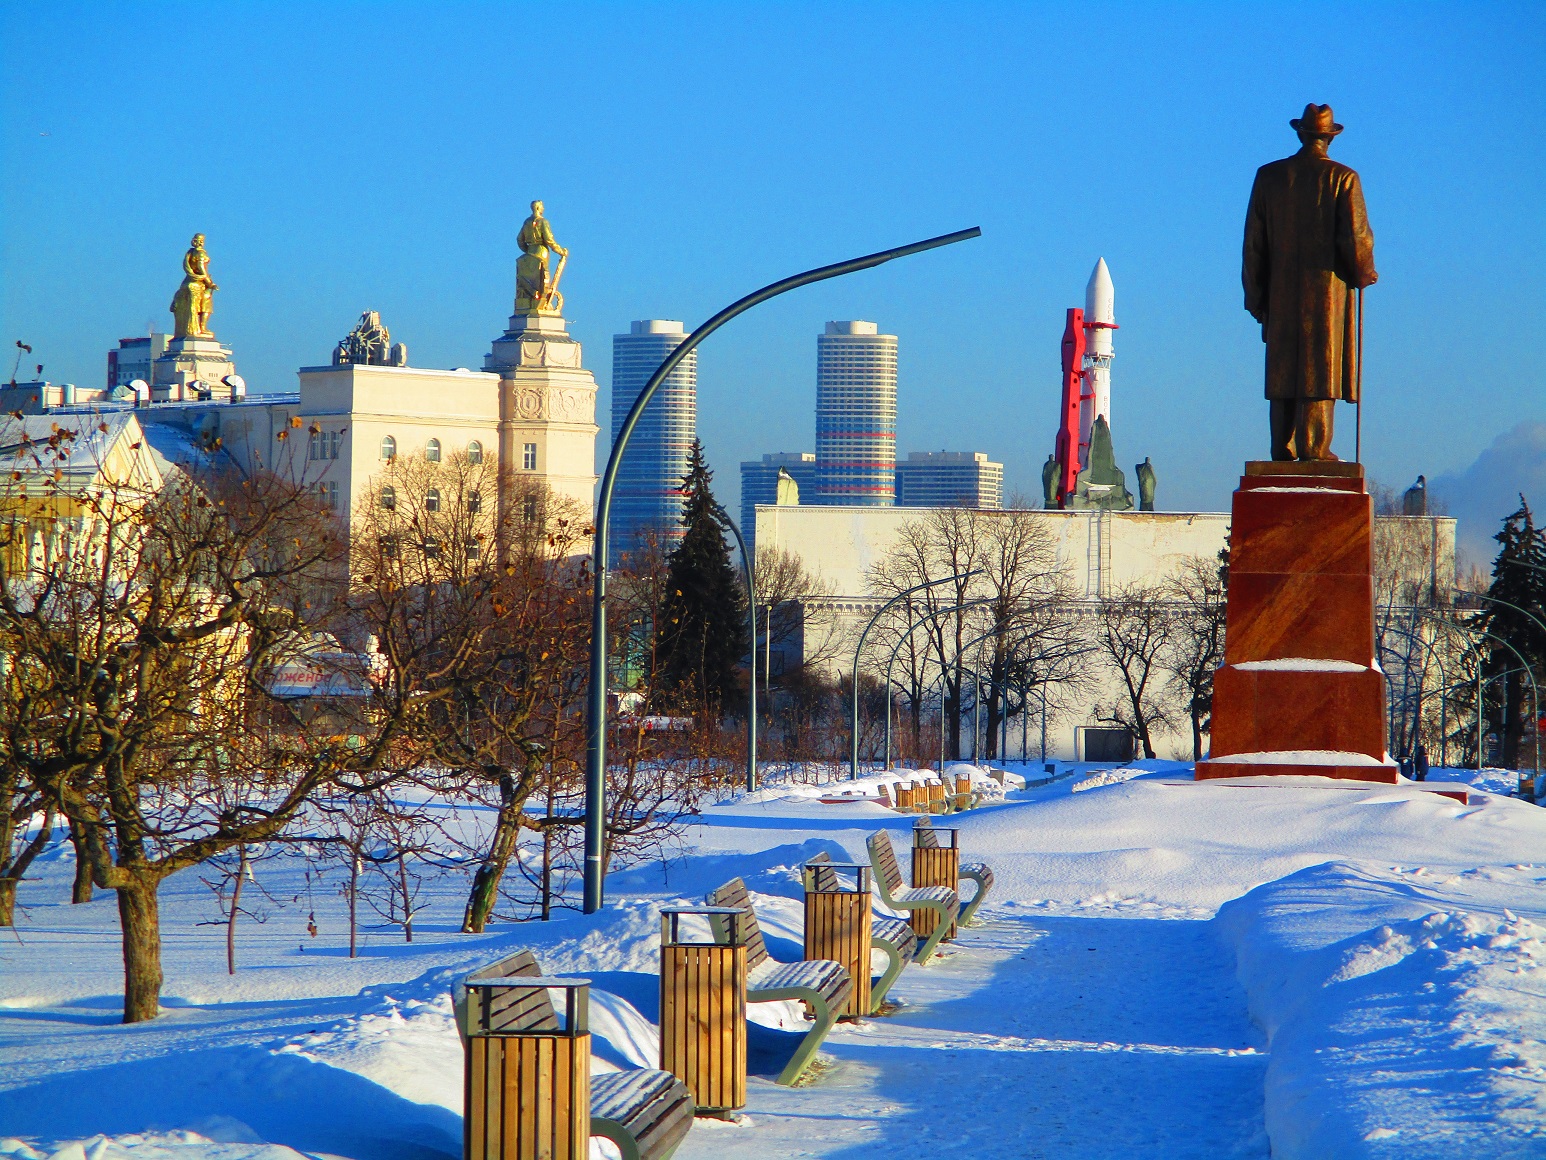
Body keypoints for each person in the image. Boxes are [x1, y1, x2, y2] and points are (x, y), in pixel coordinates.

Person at [1243, 104, 1377, 461]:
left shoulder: (1269, 177)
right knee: (1321, 366)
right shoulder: (1343, 178)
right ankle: (1315, 448)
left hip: (1280, 293)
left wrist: (1256, 296)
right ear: (1329, 138)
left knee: (1284, 368)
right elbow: (1357, 237)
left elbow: (1253, 244)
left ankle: (1281, 445)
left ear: (1301, 133)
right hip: (1325, 293)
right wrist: (1365, 271)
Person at [170, 234, 218, 338]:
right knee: (206, 306)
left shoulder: (190, 252)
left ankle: (190, 330)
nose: (202, 242)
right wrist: (210, 282)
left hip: (188, 282)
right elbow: (201, 268)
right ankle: (202, 328)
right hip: (199, 283)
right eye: (201, 240)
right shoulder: (200, 253)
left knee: (192, 307)